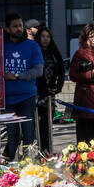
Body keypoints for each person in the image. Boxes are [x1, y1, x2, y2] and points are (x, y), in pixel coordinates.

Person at [3, 13, 44, 160]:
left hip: (27, 97)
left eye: (20, 25)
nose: (19, 29)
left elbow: (39, 70)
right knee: (11, 134)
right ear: (8, 29)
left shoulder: (32, 46)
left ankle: (30, 165)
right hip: (7, 99)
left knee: (28, 133)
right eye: (15, 26)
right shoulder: (1, 46)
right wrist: (3, 74)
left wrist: (18, 75)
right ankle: (9, 170)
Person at [35, 26, 65, 155]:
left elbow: (62, 71)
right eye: (43, 36)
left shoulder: (54, 53)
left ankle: (47, 151)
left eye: (48, 36)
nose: (45, 39)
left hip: (51, 94)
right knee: (37, 124)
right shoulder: (35, 51)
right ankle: (38, 151)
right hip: (37, 93)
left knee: (48, 124)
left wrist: (58, 87)